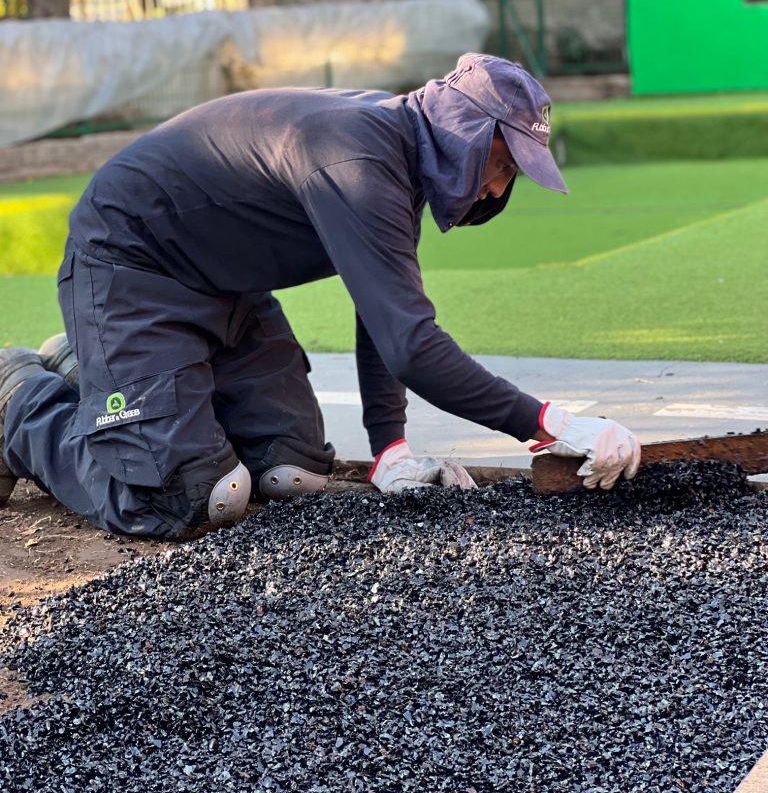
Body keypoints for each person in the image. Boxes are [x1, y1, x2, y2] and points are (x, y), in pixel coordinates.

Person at [0, 53, 640, 539]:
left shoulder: (400, 157)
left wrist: (389, 448)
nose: (498, 190)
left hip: (224, 286)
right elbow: (412, 347)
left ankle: (101, 375)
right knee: (191, 496)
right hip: (131, 273)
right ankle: (20, 401)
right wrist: (546, 423)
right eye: (501, 164)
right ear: (464, 130)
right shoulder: (357, 161)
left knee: (290, 473)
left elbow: (383, 312)